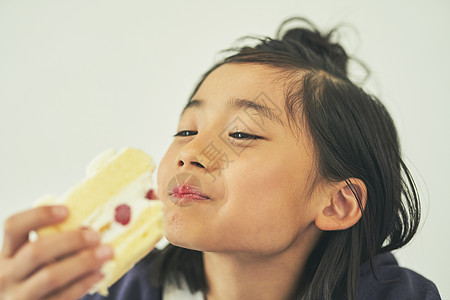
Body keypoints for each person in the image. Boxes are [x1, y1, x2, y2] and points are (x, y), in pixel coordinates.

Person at [0, 17, 441, 300]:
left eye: (241, 134)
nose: (191, 152)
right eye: (186, 130)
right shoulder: (118, 291)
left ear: (337, 203)